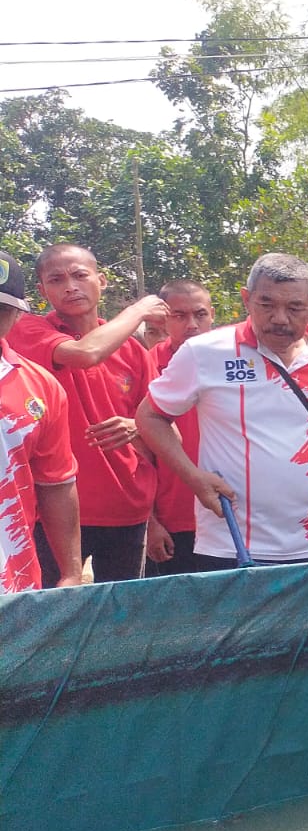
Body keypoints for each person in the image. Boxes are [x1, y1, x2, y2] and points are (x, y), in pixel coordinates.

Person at [137, 253, 308, 567]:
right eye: (267, 305)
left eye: (294, 308)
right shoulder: (206, 353)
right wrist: (193, 477)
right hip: (230, 545)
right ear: (247, 301)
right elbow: (150, 416)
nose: (279, 318)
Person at [9, 244, 166, 583]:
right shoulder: (29, 331)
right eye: (57, 279)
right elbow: (85, 352)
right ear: (42, 290)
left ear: (102, 280)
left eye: (80, 275)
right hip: (53, 512)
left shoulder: (134, 351)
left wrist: (137, 426)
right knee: (52, 611)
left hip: (127, 507)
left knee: (121, 620)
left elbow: (164, 427)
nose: (70, 286)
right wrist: (138, 310)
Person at [0, 249, 82, 591]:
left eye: (0, 310)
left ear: (17, 316)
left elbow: (57, 486)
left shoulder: (41, 386)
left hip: (12, 586)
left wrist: (71, 573)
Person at [145, 279, 215, 576]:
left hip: (226, 518)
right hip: (171, 523)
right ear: (162, 319)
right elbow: (134, 455)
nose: (192, 324)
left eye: (200, 315)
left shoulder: (236, 364)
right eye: (180, 316)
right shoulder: (145, 366)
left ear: (212, 315)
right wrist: (150, 524)